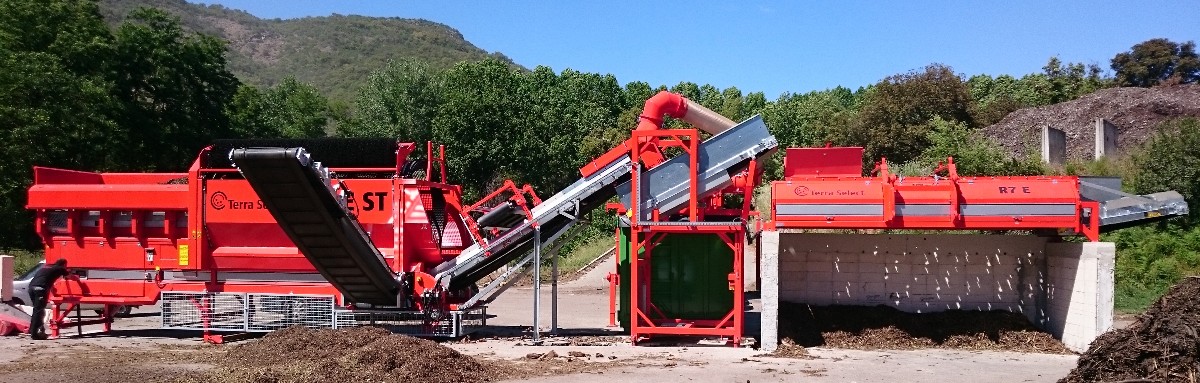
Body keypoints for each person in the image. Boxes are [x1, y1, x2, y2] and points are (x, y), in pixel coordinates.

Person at [28, 258, 69, 340]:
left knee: (36, 310)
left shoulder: (45, 268)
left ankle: (32, 330)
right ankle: (35, 334)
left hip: (31, 288)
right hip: (40, 289)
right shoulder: (59, 268)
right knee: (39, 311)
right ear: (64, 264)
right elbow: (68, 275)